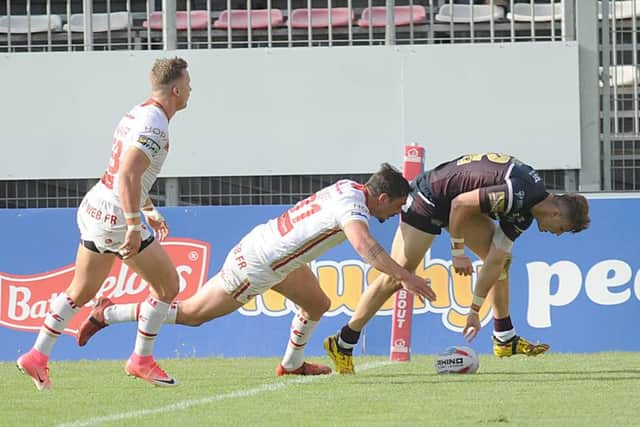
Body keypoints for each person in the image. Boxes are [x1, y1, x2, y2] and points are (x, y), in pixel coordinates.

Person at [76, 164, 434, 376]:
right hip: (258, 263)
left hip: (278, 256)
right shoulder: (354, 210)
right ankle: (110, 312)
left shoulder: (350, 188)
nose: (392, 217)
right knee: (192, 314)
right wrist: (407, 277)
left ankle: (292, 364)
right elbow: (366, 248)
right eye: (396, 207)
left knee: (317, 304)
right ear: (382, 198)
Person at [324, 152, 590, 374]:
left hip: (454, 202)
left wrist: (474, 310)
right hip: (429, 198)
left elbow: (495, 262)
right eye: (561, 228)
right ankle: (343, 342)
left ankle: (504, 337)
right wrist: (457, 251)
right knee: (397, 276)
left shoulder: (524, 214)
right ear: (556, 212)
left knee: (500, 261)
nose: (556, 234)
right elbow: (461, 204)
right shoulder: (516, 194)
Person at [16, 57, 192, 390]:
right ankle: (141, 359)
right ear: (176, 89)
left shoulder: (137, 112)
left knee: (80, 292)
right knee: (168, 286)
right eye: (189, 85)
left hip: (96, 204)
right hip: (114, 216)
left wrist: (148, 208)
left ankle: (37, 355)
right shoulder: (155, 125)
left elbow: (127, 175)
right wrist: (132, 224)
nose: (191, 91)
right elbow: (128, 174)